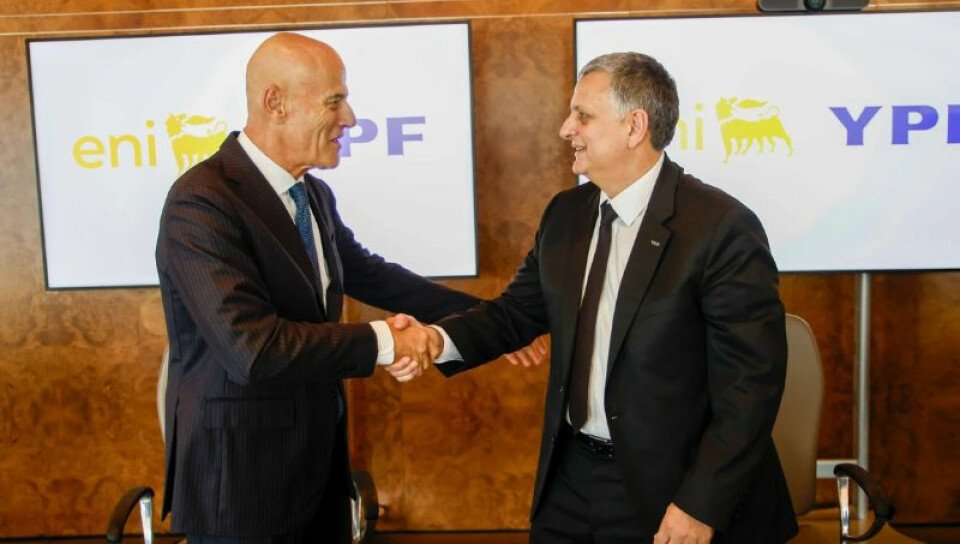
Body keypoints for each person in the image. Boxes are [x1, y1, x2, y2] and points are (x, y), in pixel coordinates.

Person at [394, 52, 799, 543]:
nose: (566, 129)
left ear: (635, 126)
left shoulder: (721, 227)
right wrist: (436, 340)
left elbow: (751, 386)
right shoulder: (565, 214)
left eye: (582, 116)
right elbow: (516, 313)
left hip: (672, 486)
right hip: (570, 476)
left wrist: (701, 503)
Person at [155, 32, 543, 543]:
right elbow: (253, 348)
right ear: (275, 102)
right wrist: (387, 342)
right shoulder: (202, 201)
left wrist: (490, 320)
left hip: (317, 471)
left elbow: (372, 275)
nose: (351, 119)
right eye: (334, 101)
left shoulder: (312, 194)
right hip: (244, 485)